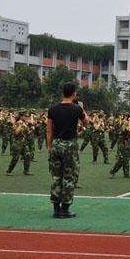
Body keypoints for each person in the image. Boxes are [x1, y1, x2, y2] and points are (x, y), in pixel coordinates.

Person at [46, 82, 89, 218]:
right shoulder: (77, 109)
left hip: (56, 144)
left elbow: (48, 130)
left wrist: (49, 146)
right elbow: (86, 121)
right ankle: (65, 209)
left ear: (62, 93)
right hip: (70, 145)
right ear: (74, 93)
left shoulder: (53, 109)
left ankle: (55, 209)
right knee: (69, 177)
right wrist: (82, 108)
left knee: (56, 176)